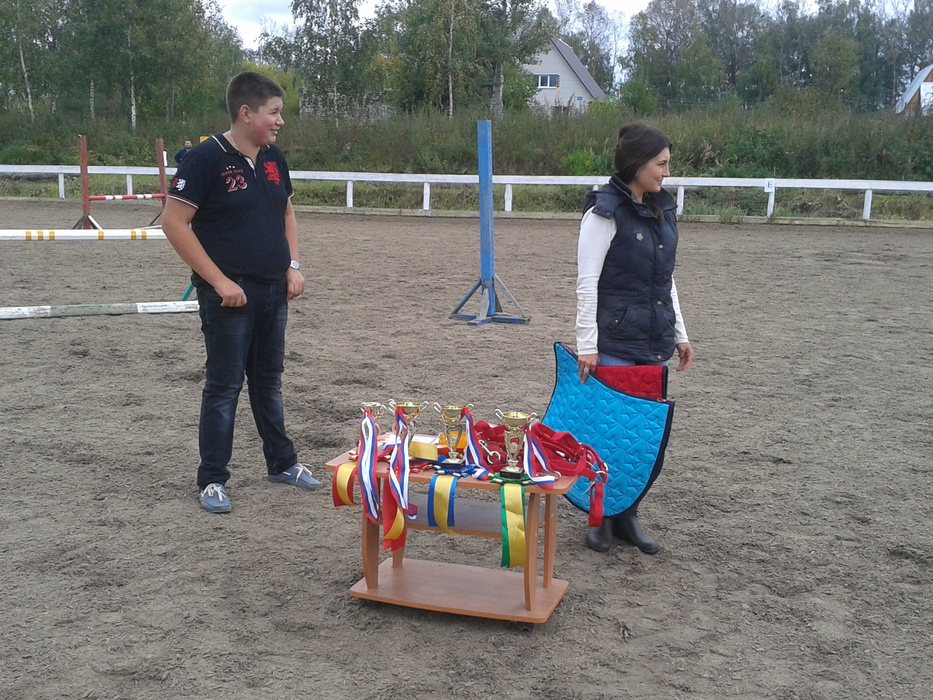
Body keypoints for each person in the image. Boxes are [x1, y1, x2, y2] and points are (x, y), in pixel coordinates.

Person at [162, 72, 321, 514]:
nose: (280, 121)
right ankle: (212, 478)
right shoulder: (204, 159)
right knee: (224, 386)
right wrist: (219, 281)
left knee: (268, 382)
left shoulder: (274, 157)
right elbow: (174, 223)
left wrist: (292, 265)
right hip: (229, 297)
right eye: (274, 112)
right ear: (246, 112)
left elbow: (286, 212)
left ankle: (282, 464)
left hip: (273, 290)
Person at [575, 123, 695, 552]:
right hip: (615, 343)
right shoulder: (603, 213)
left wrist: (680, 333)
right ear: (637, 164)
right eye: (661, 164)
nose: (667, 172)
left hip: (653, 342)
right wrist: (587, 345)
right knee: (609, 434)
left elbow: (665, 279)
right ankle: (600, 518)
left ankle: (627, 516)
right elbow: (587, 283)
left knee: (640, 437)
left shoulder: (661, 211)